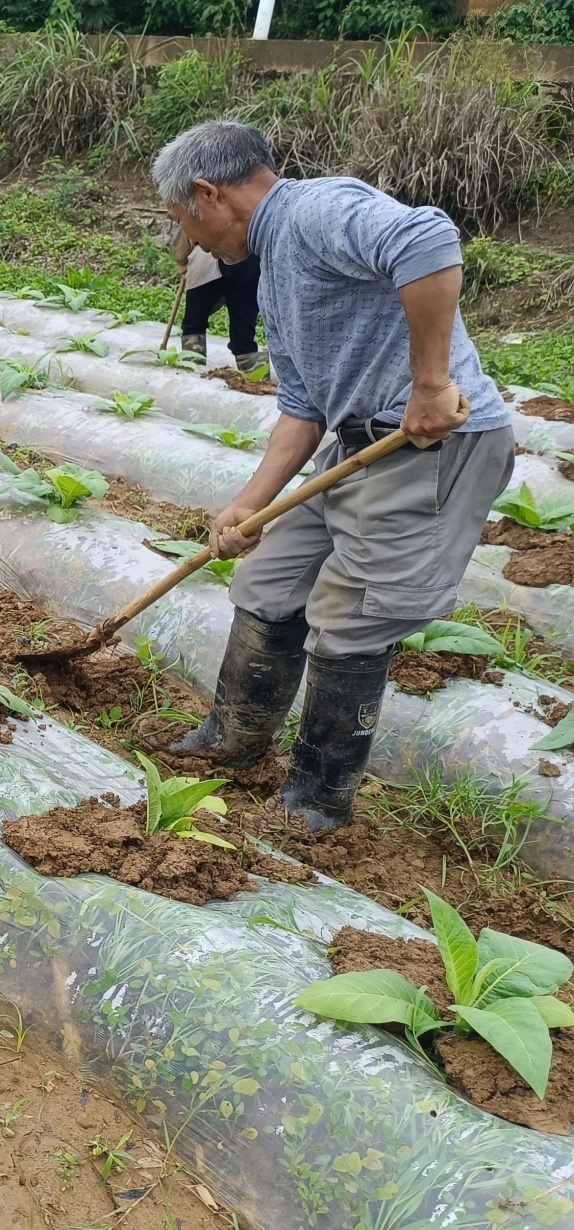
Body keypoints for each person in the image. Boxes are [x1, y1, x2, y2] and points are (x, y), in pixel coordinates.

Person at [153, 120, 514, 831]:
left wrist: (431, 382)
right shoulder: (272, 264)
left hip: (428, 449)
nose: (192, 242)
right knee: (269, 582)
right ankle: (235, 736)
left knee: (352, 618)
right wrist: (246, 507)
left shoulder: (313, 210)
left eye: (185, 224)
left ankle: (318, 801)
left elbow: (428, 240)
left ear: (208, 194)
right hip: (351, 446)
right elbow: (302, 407)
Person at [171, 221, 261, 364]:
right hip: (248, 262)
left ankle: (192, 371)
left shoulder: (200, 202)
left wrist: (181, 259)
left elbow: (186, 226)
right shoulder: (253, 201)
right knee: (244, 333)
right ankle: (256, 380)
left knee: (194, 325)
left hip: (208, 261)